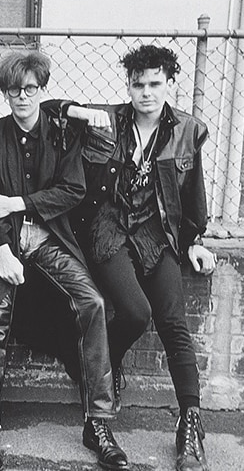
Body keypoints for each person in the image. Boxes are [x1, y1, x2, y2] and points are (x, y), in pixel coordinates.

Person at [0, 52, 128, 471]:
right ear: (4, 93)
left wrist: (19, 203)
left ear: (41, 90)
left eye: (30, 89)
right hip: (0, 244)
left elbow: (71, 190)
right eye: (13, 90)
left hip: (47, 238)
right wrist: (2, 249)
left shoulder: (60, 133)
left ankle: (99, 422)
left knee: (90, 301)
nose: (22, 97)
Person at [65, 45, 216, 471]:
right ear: (128, 86)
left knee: (172, 321)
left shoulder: (188, 130)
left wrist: (193, 241)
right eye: (138, 84)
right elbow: (54, 113)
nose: (146, 92)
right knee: (134, 313)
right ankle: (97, 384)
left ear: (170, 83)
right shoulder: (108, 121)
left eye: (154, 83)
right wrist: (76, 112)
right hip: (110, 228)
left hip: (158, 232)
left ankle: (190, 423)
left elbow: (192, 195)